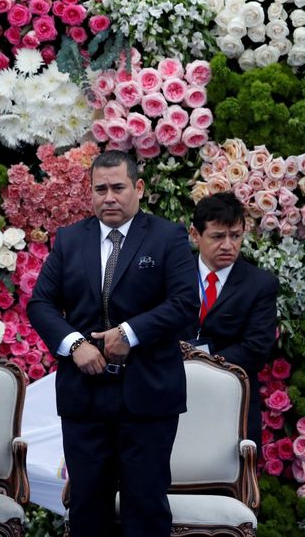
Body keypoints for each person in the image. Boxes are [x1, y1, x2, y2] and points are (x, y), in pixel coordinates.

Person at [27, 150, 199, 537]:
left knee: (146, 505)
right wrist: (75, 345)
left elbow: (186, 303)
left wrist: (130, 334)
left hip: (148, 393)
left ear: (138, 188)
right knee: (87, 506)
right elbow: (40, 304)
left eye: (118, 188)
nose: (109, 198)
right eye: (100, 189)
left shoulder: (167, 237)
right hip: (84, 395)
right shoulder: (70, 239)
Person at [186, 191, 279, 446]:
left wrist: (198, 364)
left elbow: (256, 348)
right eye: (218, 236)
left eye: (235, 236)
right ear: (195, 235)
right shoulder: (173, 276)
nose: (228, 245)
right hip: (173, 398)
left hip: (231, 402)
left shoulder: (260, 284)